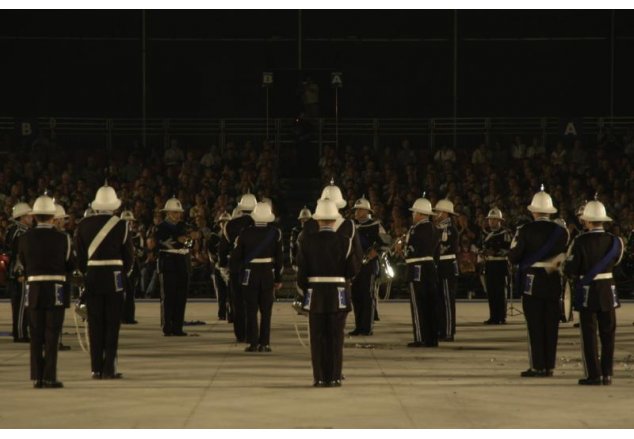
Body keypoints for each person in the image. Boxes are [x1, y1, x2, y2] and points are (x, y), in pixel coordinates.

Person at [508, 186, 569, 378]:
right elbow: (565, 255)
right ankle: (549, 365)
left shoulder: (525, 230)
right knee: (551, 325)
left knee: (534, 325)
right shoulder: (561, 232)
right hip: (552, 279)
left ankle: (537, 366)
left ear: (533, 211)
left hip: (533, 280)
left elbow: (515, 256)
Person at [74, 184, 134, 379]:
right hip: (115, 276)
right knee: (112, 323)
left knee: (95, 323)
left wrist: (87, 273)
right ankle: (109, 367)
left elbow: (81, 258)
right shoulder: (122, 225)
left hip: (92, 276)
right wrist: (122, 274)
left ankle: (95, 368)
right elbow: (129, 258)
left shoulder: (83, 225)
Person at [296, 199, 358, 387]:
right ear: (333, 219)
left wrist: (304, 293)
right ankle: (335, 377)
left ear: (318, 219)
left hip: (315, 292)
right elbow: (352, 270)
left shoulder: (306, 241)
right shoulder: (345, 241)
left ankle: (320, 377)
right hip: (338, 291)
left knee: (317, 337)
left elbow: (301, 273)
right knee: (336, 337)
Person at [564, 199, 623, 385]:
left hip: (588, 291)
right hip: (608, 290)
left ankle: (593, 374)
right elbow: (617, 262)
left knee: (589, 335)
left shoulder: (580, 241)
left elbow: (571, 268)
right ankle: (607, 374)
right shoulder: (615, 241)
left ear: (588, 220)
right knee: (608, 334)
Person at [18, 194, 74, 388]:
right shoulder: (63, 238)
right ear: (52, 217)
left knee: (35, 334)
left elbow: (23, 263)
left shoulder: (25, 238)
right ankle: (49, 375)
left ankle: (36, 376)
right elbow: (70, 265)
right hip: (56, 288)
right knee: (52, 334)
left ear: (34, 216)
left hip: (33, 287)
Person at [230, 202, 283, 352]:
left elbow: (236, 256)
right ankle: (265, 343)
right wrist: (278, 278)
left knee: (250, 309)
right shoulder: (275, 232)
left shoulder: (245, 233)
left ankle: (252, 342)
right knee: (266, 311)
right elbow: (279, 258)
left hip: (249, 272)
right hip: (267, 272)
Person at [397, 196, 440, 348]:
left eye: (414, 212)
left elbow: (411, 252)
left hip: (417, 268)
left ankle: (420, 337)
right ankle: (432, 338)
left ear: (421, 214)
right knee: (431, 305)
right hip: (430, 267)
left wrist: (401, 250)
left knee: (418, 305)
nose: (413, 215)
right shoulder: (434, 228)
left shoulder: (417, 230)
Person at [219, 192, 256, 342]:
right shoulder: (259, 225)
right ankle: (252, 332)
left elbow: (223, 249)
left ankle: (240, 334)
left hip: (236, 269)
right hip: (254, 268)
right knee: (252, 302)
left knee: (238, 302)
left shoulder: (229, 225)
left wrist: (222, 265)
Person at [155, 197, 191, 336]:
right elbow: (163, 243)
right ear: (168, 213)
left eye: (178, 212)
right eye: (175, 212)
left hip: (182, 261)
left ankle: (178, 326)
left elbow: (189, 243)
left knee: (181, 297)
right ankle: (167, 326)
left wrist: (187, 241)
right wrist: (179, 240)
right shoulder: (161, 227)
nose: (178, 215)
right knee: (168, 296)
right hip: (168, 262)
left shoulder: (183, 225)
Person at [349, 196, 385, 336]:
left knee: (367, 296)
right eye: (356, 210)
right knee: (356, 296)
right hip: (355, 264)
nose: (357, 212)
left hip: (369, 265)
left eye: (359, 209)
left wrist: (374, 253)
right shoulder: (351, 224)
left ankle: (367, 327)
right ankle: (359, 326)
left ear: (366, 211)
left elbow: (385, 242)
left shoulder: (376, 225)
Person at [480, 208, 512, 325]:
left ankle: (501, 317)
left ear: (499, 220)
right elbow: (481, 247)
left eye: (494, 220)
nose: (491, 222)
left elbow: (508, 249)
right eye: (490, 220)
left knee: (501, 292)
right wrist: (483, 252)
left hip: (501, 264)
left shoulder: (506, 233)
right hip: (489, 264)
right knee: (491, 291)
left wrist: (494, 251)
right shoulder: (485, 233)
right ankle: (493, 316)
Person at [6, 201, 33, 343]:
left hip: (15, 272)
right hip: (20, 272)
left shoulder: (13, 229)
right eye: (28, 216)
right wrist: (21, 272)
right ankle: (21, 333)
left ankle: (19, 331)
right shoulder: (21, 232)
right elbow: (18, 254)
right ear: (22, 217)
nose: (31, 218)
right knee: (22, 304)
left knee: (18, 304)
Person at [433, 199, 459, 341]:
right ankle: (440, 329)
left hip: (447, 266)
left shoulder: (450, 229)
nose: (436, 214)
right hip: (439, 266)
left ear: (444, 213)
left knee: (447, 301)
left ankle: (448, 331)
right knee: (439, 300)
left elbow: (446, 248)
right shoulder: (436, 227)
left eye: (438, 211)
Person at [53, 204, 72, 351]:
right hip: (59, 280)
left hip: (38, 282)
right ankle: (56, 340)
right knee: (57, 313)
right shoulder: (64, 237)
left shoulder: (32, 235)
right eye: (61, 219)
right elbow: (69, 261)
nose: (64, 222)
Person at [208, 211, 231, 320]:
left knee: (231, 292)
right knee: (220, 293)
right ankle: (222, 313)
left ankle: (231, 312)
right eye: (222, 222)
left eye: (227, 222)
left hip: (230, 268)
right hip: (217, 268)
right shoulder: (213, 238)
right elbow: (211, 254)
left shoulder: (234, 237)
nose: (224, 224)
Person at [120, 210, 141, 325]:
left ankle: (129, 316)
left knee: (130, 294)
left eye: (130, 221)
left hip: (133, 267)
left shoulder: (136, 236)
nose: (129, 223)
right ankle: (121, 316)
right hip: (122, 267)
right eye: (126, 221)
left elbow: (142, 252)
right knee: (121, 294)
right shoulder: (118, 235)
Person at [290, 206, 312, 272]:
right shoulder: (295, 230)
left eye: (306, 219)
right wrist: (293, 262)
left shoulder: (313, 231)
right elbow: (292, 247)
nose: (304, 221)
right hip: (299, 260)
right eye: (303, 219)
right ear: (300, 220)